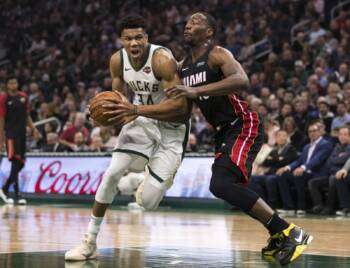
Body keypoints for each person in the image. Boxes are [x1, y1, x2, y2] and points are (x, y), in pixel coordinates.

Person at [165, 12, 313, 265]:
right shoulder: (183, 66)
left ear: (209, 32)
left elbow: (241, 79)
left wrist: (196, 90)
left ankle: (289, 232)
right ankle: (279, 233)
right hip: (224, 132)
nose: (188, 26)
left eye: (196, 22)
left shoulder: (217, 53)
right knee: (226, 186)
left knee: (221, 184)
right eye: (187, 23)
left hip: (243, 124)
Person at [65, 15, 189, 261]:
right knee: (111, 173)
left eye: (139, 37)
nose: (134, 43)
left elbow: (182, 109)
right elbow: (117, 99)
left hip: (171, 128)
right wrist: (103, 116)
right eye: (129, 38)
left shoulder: (162, 61)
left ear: (147, 38)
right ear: (121, 40)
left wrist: (135, 110)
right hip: (139, 121)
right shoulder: (117, 61)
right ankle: (89, 241)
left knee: (148, 202)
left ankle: (143, 179)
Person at [276, 122, 333, 214]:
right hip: (305, 172)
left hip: (317, 173)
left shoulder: (326, 144)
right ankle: (288, 207)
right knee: (282, 175)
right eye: (310, 131)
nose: (312, 133)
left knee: (299, 175)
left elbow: (317, 160)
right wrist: (287, 167)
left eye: (314, 131)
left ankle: (301, 207)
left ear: (319, 132)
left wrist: (303, 167)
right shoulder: (307, 146)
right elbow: (299, 161)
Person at [0, 77, 41, 205]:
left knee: (19, 163)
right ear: (7, 85)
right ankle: (13, 192)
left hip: (22, 134)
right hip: (10, 135)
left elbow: (27, 116)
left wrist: (33, 129)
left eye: (15, 82)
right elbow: (1, 119)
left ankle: (7, 190)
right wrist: (1, 139)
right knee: (17, 162)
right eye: (11, 82)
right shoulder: (3, 98)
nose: (13, 84)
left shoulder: (23, 97)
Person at [308, 126, 350, 214]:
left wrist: (339, 159)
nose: (342, 136)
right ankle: (319, 206)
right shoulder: (337, 146)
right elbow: (330, 162)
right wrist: (341, 158)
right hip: (333, 173)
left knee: (334, 178)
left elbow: (345, 160)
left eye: (345, 134)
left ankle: (330, 207)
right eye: (340, 134)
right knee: (313, 182)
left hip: (345, 174)